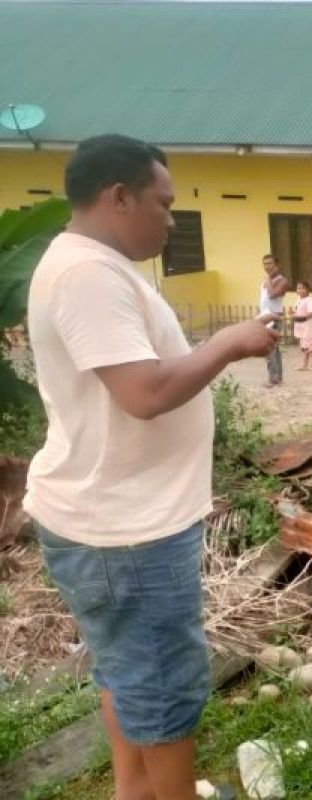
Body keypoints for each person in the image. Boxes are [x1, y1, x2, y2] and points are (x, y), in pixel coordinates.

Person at [24, 134, 277, 800]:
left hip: (114, 521)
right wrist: (227, 343)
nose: (171, 219)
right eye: (163, 205)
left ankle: (133, 792)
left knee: (126, 674)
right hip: (125, 532)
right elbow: (146, 393)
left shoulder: (94, 266)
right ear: (119, 197)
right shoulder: (87, 275)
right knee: (163, 688)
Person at [259, 252, 289, 386]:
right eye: (265, 264)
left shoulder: (281, 281)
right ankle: (277, 377)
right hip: (265, 317)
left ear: (277, 265)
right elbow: (264, 300)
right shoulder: (267, 280)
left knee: (269, 348)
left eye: (270, 263)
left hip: (274, 318)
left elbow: (272, 295)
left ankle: (273, 378)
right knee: (273, 349)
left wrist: (269, 280)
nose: (267, 266)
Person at [291, 280, 312, 371]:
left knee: (308, 347)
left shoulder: (309, 300)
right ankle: (305, 365)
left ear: (307, 289)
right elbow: (295, 310)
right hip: (300, 326)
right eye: (298, 288)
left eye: (302, 288)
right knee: (305, 347)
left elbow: (311, 313)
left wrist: (299, 316)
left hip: (307, 327)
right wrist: (292, 313)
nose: (300, 290)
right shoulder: (298, 300)